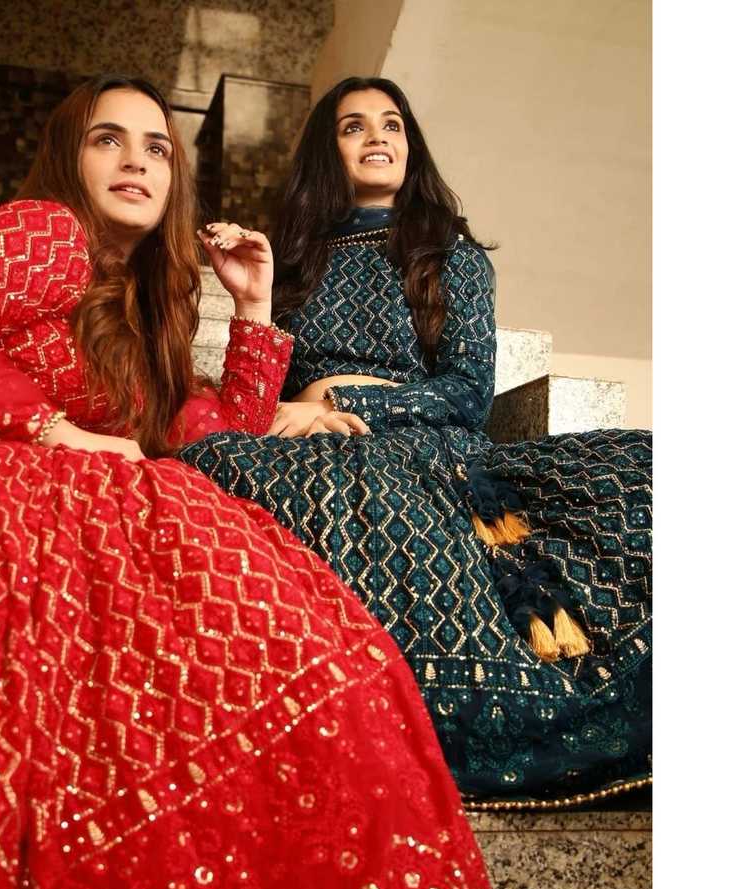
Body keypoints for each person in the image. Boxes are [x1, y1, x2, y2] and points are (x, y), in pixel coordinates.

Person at [0, 74, 515, 889]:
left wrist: (252, 306)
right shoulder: (43, 231)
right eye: (109, 140)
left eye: (157, 148)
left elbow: (210, 432)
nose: (137, 162)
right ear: (70, 158)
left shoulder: (148, 298)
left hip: (90, 505)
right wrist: (50, 428)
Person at [178, 77, 652, 809]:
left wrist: (340, 401)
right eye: (353, 126)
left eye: (392, 123)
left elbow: (467, 394)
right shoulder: (294, 261)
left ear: (410, 145)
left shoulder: (450, 256)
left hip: (424, 445)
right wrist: (259, 310)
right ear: (326, 151)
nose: (377, 135)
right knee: (212, 464)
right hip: (308, 445)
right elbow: (252, 400)